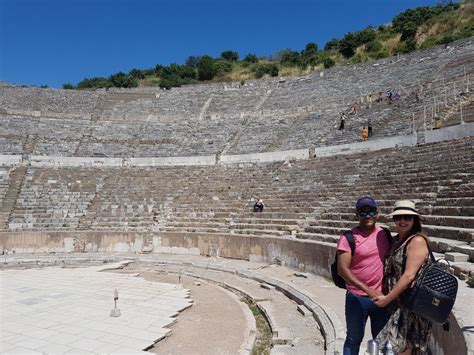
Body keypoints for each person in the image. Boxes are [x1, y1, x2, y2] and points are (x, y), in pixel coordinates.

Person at [374, 200, 431, 354]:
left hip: (410, 305)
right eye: (399, 217)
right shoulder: (396, 241)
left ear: (414, 220)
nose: (403, 221)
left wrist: (387, 299)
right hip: (397, 303)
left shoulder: (417, 241)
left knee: (404, 349)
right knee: (396, 348)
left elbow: (408, 276)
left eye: (407, 217)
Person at [337, 197, 392, 355]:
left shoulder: (385, 234)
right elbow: (343, 270)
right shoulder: (348, 238)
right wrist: (369, 291)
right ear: (357, 214)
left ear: (377, 213)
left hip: (381, 298)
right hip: (357, 298)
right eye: (363, 211)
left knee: (382, 341)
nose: (367, 215)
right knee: (353, 339)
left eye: (371, 211)